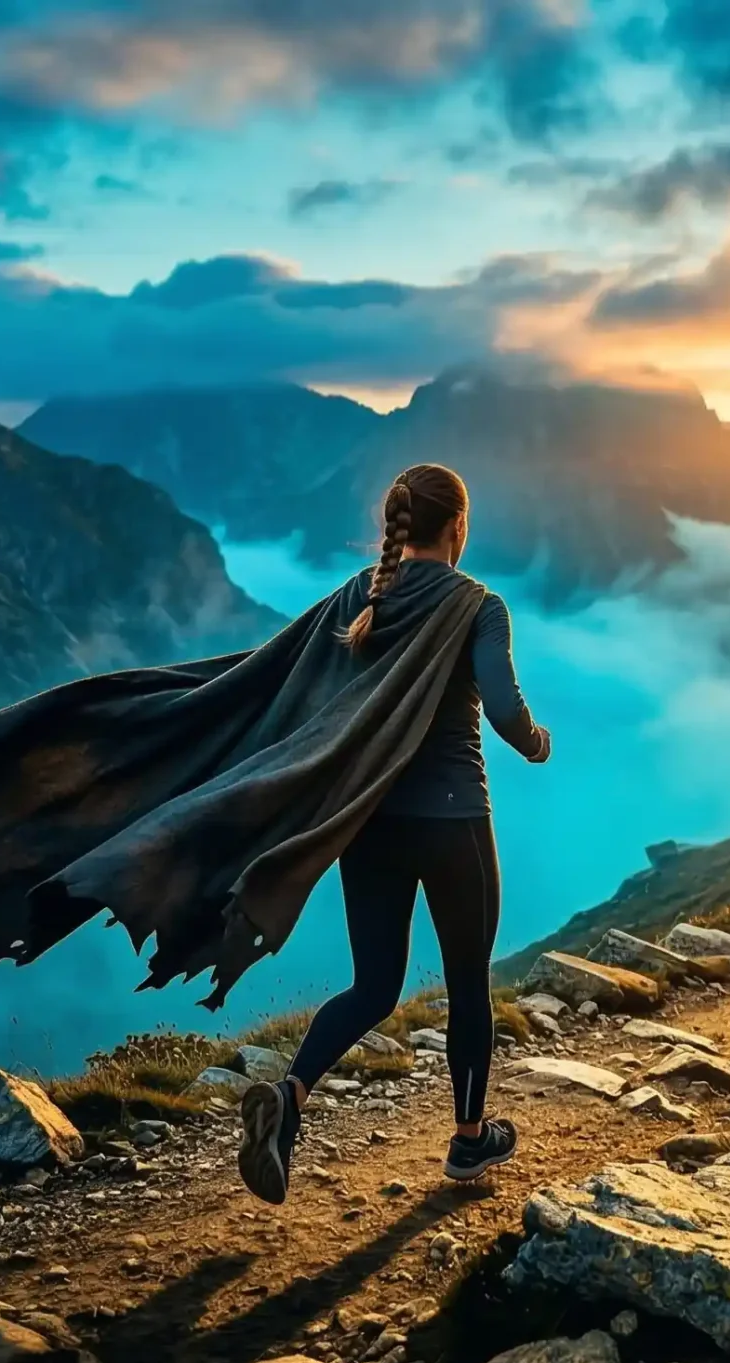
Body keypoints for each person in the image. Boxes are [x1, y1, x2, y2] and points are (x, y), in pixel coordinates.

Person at [236, 463, 551, 1205]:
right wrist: (537, 741)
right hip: (454, 824)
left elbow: (303, 691)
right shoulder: (479, 603)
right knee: (469, 982)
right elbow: (504, 710)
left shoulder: (358, 595)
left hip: (369, 825)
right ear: (459, 528)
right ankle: (470, 1142)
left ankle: (290, 1095)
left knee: (374, 985)